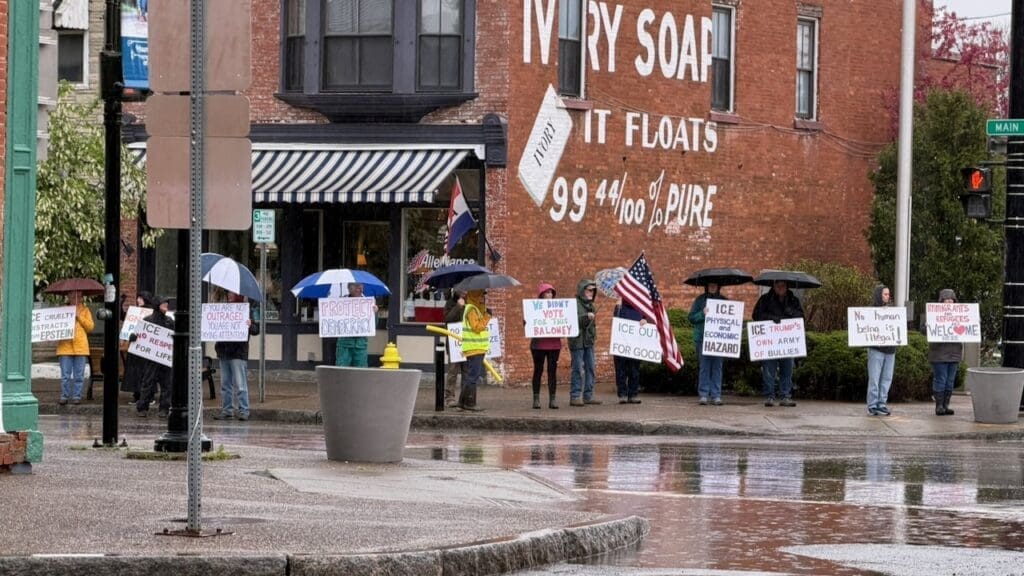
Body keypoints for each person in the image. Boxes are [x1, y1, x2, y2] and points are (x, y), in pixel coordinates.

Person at [753, 280, 805, 407]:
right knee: (769, 370)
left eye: (783, 285)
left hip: (787, 341)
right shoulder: (765, 299)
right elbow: (756, 315)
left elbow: (801, 317)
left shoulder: (794, 300)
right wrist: (772, 318)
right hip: (770, 341)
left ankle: (785, 395)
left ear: (787, 286)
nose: (780, 288)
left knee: (787, 369)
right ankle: (769, 396)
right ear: (774, 286)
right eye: (778, 286)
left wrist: (789, 313)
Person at [214, 292, 260, 421]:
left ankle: (244, 410)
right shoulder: (223, 310)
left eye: (232, 294)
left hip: (238, 352)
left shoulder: (246, 310)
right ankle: (227, 410)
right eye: (228, 294)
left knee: (240, 384)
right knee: (225, 384)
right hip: (224, 351)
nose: (229, 296)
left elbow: (257, 330)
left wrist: (250, 324)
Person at [134, 296, 174, 418]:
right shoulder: (148, 320)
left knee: (166, 384)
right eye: (164, 304)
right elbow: (139, 335)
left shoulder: (169, 321)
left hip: (165, 358)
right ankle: (142, 407)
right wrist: (133, 337)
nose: (166, 306)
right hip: (151, 359)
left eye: (167, 304)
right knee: (148, 383)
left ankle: (164, 408)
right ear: (157, 305)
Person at [688, 283, 725, 406]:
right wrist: (702, 314)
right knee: (704, 367)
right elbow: (691, 317)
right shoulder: (700, 300)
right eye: (711, 285)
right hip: (702, 338)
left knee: (717, 367)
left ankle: (716, 395)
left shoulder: (724, 301)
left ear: (719, 287)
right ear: (707, 286)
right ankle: (703, 394)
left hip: (719, 339)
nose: (713, 286)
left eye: (715, 284)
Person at [56, 291, 94, 405]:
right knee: (65, 375)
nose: (75, 298)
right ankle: (64, 396)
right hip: (65, 346)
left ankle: (77, 396)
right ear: (68, 297)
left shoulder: (85, 310)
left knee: (79, 375)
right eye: (72, 296)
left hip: (81, 347)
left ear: (82, 298)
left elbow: (90, 327)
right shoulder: (63, 310)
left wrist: (79, 316)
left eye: (78, 296)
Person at [457, 289, 491, 411]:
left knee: (470, 376)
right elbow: (477, 327)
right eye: (481, 295)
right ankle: (470, 403)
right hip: (474, 348)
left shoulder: (475, 308)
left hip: (476, 348)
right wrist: (487, 317)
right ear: (475, 296)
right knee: (473, 377)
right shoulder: (471, 309)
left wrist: (484, 310)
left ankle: (461, 403)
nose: (483, 298)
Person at [930, 288, 962, 416]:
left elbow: (967, 329)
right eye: (946, 300)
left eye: (951, 299)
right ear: (941, 301)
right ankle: (939, 406)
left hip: (954, 353)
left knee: (950, 380)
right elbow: (925, 330)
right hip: (939, 353)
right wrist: (927, 325)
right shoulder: (933, 314)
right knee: (941, 379)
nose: (949, 302)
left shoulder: (961, 315)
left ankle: (946, 405)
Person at [569, 279, 601, 407]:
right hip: (577, 341)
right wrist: (585, 317)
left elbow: (592, 326)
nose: (591, 293)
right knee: (577, 368)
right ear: (582, 290)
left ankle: (588, 395)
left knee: (590, 368)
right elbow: (572, 321)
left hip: (588, 341)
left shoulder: (591, 305)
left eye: (593, 290)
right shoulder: (574, 304)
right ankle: (575, 396)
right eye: (589, 290)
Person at [531, 283, 563, 409]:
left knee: (552, 372)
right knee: (538, 371)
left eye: (551, 293)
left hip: (554, 344)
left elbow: (564, 321)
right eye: (547, 293)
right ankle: (536, 398)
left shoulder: (559, 309)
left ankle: (552, 399)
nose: (549, 295)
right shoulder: (534, 308)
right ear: (541, 295)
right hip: (538, 345)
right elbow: (528, 324)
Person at [866, 285, 896, 416]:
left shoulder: (893, 312)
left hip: (890, 350)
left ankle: (882, 403)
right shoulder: (871, 311)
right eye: (885, 294)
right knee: (874, 378)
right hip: (876, 349)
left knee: (887, 378)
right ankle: (872, 404)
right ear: (879, 295)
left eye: (888, 294)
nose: (887, 296)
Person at [121, 291, 156, 405]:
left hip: (143, 347)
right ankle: (139, 395)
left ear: (145, 299)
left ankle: (145, 396)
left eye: (140, 298)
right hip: (137, 346)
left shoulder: (151, 312)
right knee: (140, 372)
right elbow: (125, 319)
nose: (138, 300)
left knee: (143, 372)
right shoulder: (135, 312)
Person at [335, 282, 377, 367]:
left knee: (360, 372)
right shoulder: (341, 301)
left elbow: (373, 325)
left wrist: (375, 313)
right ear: (349, 288)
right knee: (342, 371)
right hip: (344, 344)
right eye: (355, 285)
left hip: (360, 345)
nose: (358, 287)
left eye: (361, 285)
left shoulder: (368, 303)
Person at [613, 299, 644, 404]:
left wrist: (645, 320)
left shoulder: (640, 307)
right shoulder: (620, 306)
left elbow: (646, 319)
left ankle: (633, 394)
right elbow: (616, 321)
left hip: (635, 343)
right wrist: (618, 307)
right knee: (621, 369)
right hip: (621, 342)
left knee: (634, 370)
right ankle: (622, 394)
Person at [443, 289, 470, 408]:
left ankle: (464, 398)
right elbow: (447, 319)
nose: (465, 292)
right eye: (462, 290)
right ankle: (449, 397)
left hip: (468, 341)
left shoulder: (470, 304)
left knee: (467, 371)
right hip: (454, 342)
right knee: (453, 371)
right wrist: (458, 306)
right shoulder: (450, 303)